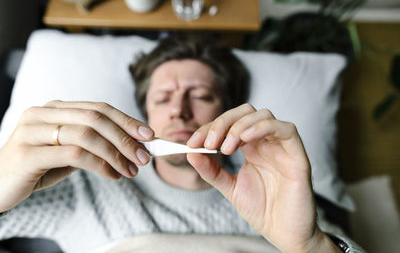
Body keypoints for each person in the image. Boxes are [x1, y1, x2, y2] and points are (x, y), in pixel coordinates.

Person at [0, 35, 364, 253]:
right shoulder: (85, 182)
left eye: (201, 95)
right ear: (145, 115)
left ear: (227, 110)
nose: (179, 110)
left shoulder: (274, 188)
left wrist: (311, 246)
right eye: (162, 99)